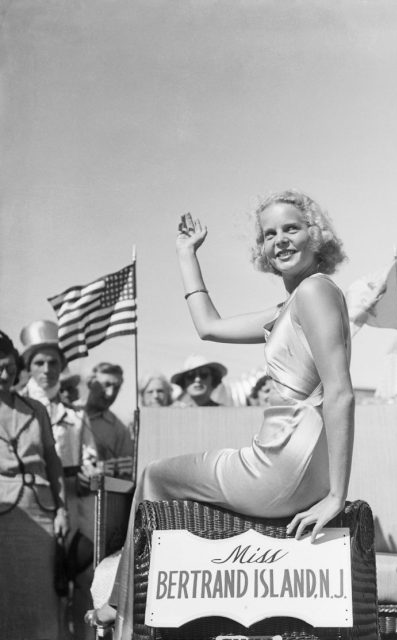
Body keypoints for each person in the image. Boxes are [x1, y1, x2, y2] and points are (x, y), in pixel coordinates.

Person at [86, 189, 354, 638]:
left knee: (155, 476)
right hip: (289, 456)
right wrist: (186, 254)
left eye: (292, 228)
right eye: (270, 235)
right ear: (262, 251)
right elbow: (208, 326)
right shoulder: (288, 307)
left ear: (316, 235)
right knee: (164, 478)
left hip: (285, 459)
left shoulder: (314, 290)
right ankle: (132, 606)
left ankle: (119, 610)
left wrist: (336, 496)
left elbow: (341, 393)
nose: (280, 240)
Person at [20, 319, 99, 640]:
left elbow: (92, 458)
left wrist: (91, 471)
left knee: (84, 580)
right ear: (28, 366)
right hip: (33, 501)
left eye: (54, 362)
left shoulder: (76, 415)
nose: (47, 369)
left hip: (76, 504)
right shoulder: (16, 406)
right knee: (40, 581)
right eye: (39, 362)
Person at [0, 330, 69, 640]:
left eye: (10, 368)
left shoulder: (36, 409)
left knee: (43, 601)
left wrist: (62, 510)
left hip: (41, 513)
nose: (5, 375)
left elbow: (53, 462)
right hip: (4, 516)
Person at [85, 362, 134, 463]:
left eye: (116, 388)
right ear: (91, 384)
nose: (110, 393)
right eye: (106, 385)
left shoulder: (120, 430)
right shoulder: (66, 413)